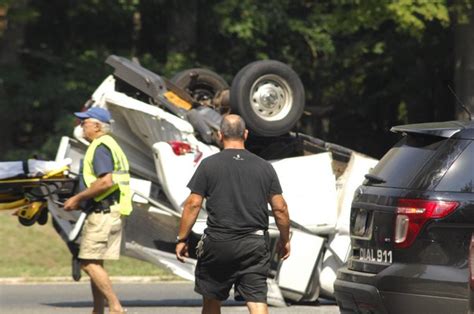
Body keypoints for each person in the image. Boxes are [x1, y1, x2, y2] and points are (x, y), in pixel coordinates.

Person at [175, 114, 291, 314]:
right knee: (257, 300)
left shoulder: (208, 165)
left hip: (218, 243)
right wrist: (284, 238)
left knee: (211, 301)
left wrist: (182, 238)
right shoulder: (264, 167)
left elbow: (193, 204)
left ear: (220, 135)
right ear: (245, 134)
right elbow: (280, 208)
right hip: (254, 244)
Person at [64, 107, 132, 314]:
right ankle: (97, 310)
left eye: (84, 122)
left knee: (87, 262)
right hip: (112, 210)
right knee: (95, 261)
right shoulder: (110, 144)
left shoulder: (100, 147)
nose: (81, 126)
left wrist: (77, 198)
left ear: (97, 125)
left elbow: (105, 182)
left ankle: (115, 306)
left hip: (103, 212)